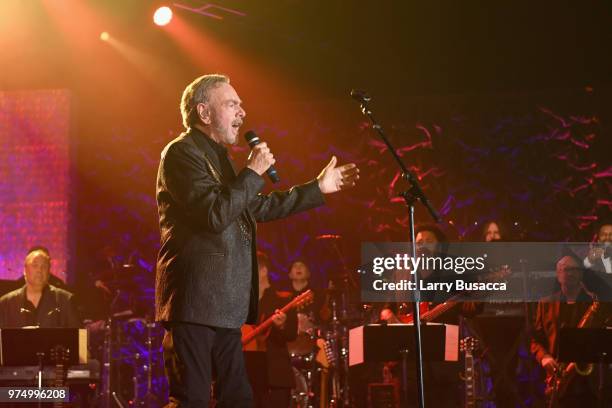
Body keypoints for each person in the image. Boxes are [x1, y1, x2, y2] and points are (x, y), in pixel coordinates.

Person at [156, 74, 359, 407]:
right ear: (204, 113)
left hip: (225, 302)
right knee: (191, 398)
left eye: (241, 104)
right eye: (232, 104)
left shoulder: (220, 159)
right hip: (194, 300)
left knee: (237, 398)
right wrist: (251, 172)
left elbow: (256, 207)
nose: (242, 113)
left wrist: (317, 188)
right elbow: (214, 214)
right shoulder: (181, 154)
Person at [530, 255, 604, 407]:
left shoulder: (594, 305)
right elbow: (535, 340)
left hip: (588, 384)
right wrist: (544, 358)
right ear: (558, 275)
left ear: (581, 274)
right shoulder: (545, 303)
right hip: (558, 378)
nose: (570, 273)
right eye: (566, 269)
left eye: (575, 269)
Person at [247, 251, 298, 408]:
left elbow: (291, 334)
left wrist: (282, 325)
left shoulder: (283, 299)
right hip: (246, 375)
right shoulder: (241, 300)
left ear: (263, 271)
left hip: (274, 374)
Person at [0, 249, 80, 328]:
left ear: (49, 272)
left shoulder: (65, 300)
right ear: (25, 270)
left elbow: (80, 337)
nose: (39, 270)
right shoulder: (6, 303)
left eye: (44, 266)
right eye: (35, 265)